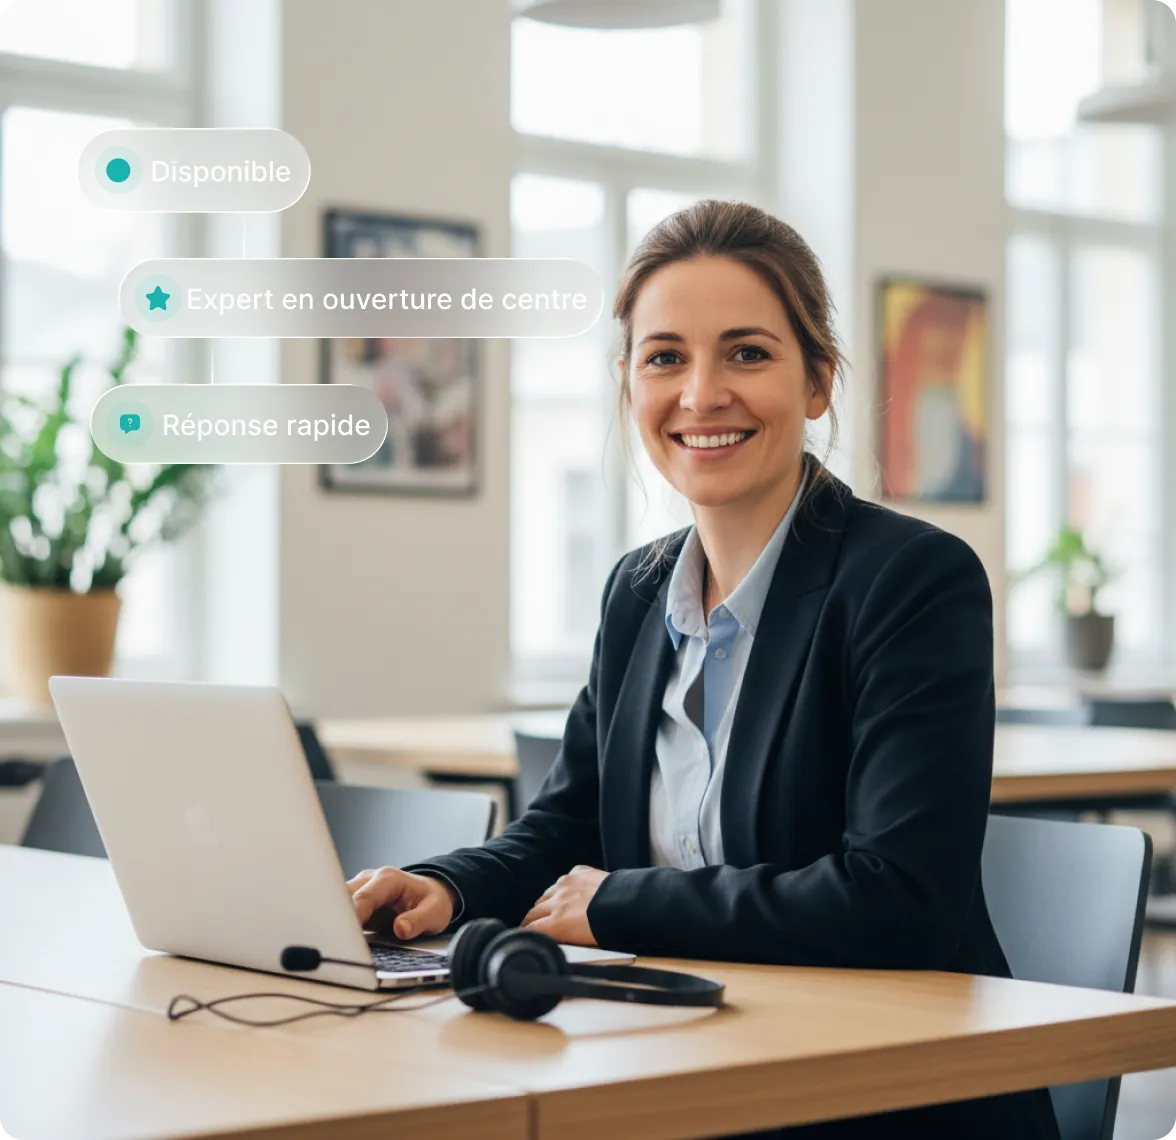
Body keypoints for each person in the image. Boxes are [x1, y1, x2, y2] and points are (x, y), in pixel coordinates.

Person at [347, 200, 1061, 1140]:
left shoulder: (911, 580)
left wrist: (624, 901)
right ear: (629, 383)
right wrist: (446, 886)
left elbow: (900, 900)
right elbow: (568, 827)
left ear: (818, 383)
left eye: (748, 354)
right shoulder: (636, 592)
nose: (701, 394)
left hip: (883, 1094)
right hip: (690, 1057)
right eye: (666, 357)